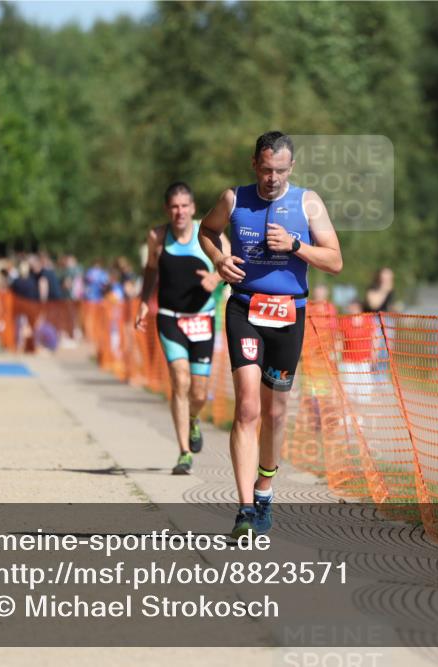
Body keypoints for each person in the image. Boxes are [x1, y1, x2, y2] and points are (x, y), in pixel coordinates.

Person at [199, 131, 343, 537]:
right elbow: (206, 232)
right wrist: (219, 258)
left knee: (276, 412)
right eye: (265, 170)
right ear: (254, 165)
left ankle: (265, 489)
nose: (272, 179)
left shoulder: (308, 203)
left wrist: (296, 245)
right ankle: (245, 510)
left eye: (280, 171)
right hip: (245, 308)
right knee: (247, 407)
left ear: (291, 168)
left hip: (288, 315)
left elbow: (335, 261)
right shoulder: (234, 199)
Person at [136, 181, 227, 475]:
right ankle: (183, 452)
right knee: (179, 378)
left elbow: (229, 267)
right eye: (174, 206)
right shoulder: (158, 237)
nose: (179, 212)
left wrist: (218, 278)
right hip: (170, 316)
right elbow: (151, 268)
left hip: (203, 317)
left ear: (193, 208)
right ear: (167, 209)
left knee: (198, 393)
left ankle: (193, 420)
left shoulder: (210, 235)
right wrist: (142, 301)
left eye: (184, 206)